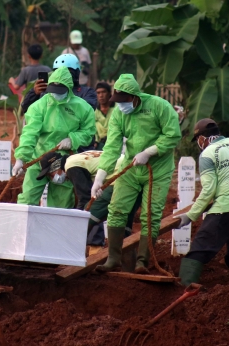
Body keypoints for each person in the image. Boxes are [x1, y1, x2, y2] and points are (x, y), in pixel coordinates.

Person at [91, 74, 181, 274]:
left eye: (124, 102)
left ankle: (142, 261)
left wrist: (150, 152)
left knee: (151, 214)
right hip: (131, 167)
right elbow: (112, 147)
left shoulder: (159, 106)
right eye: (118, 102)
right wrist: (100, 178)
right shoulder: (119, 114)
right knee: (116, 208)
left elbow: (173, 135)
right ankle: (113, 258)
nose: (121, 106)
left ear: (134, 96)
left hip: (157, 169)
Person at [175, 119, 229, 289]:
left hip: (227, 206)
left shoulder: (207, 154)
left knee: (200, 249)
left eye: (197, 140)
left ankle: (183, 290)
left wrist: (191, 215)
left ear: (202, 138)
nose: (198, 144)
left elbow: (208, 190)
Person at [12, 66, 96, 208]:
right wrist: (21, 158)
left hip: (63, 162)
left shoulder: (83, 108)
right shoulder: (38, 106)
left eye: (60, 91)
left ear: (69, 88)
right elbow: (30, 132)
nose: (56, 94)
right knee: (26, 201)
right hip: (38, 159)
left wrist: (73, 139)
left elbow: (88, 132)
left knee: (60, 205)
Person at [36, 150, 141, 247]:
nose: (52, 178)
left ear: (56, 167)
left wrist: (74, 218)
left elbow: (85, 197)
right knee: (124, 220)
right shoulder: (78, 158)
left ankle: (71, 247)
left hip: (124, 176)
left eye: (51, 174)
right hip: (137, 173)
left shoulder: (70, 166)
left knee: (88, 215)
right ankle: (125, 255)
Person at [21, 54, 97, 114]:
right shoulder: (47, 92)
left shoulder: (87, 92)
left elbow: (87, 111)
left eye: (67, 71)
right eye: (58, 71)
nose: (62, 74)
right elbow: (27, 109)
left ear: (76, 73)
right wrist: (34, 94)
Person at [94, 82, 115, 149]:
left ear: (109, 93)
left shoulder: (117, 109)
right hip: (100, 144)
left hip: (115, 143)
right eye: (98, 93)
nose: (101, 95)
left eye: (103, 92)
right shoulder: (95, 112)